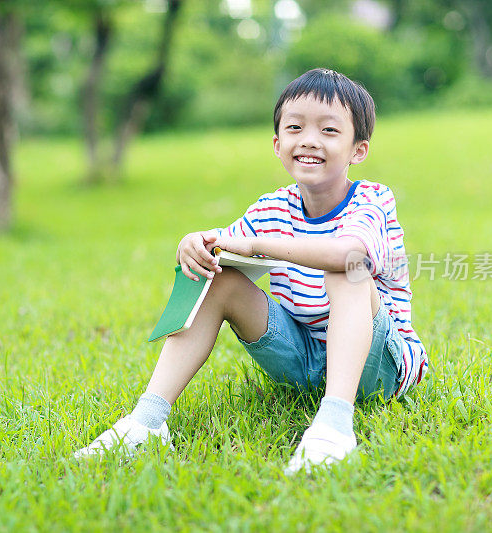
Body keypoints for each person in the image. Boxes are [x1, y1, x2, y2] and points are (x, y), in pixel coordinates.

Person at [73, 68, 428, 474]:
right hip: (302, 360)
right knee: (217, 276)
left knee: (346, 270)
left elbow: (347, 252)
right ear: (278, 144)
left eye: (329, 131)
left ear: (358, 150)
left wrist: (258, 245)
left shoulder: (373, 199)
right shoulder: (272, 208)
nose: (309, 139)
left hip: (377, 366)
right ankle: (146, 422)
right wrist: (196, 245)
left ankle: (334, 426)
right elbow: (225, 249)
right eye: (296, 127)